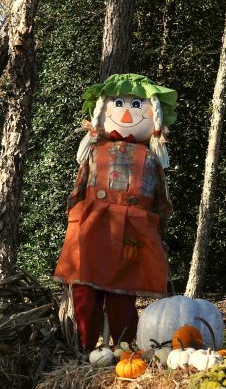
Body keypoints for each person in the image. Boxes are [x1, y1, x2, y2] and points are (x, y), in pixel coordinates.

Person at [54, 73, 176, 350]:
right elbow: (79, 189)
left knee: (123, 296)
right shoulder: (94, 153)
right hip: (92, 229)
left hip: (132, 232)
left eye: (136, 105)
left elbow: (160, 202)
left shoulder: (151, 160)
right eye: (119, 103)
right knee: (86, 293)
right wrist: (74, 224)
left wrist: (157, 235)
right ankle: (84, 350)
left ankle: (123, 350)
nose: (125, 113)